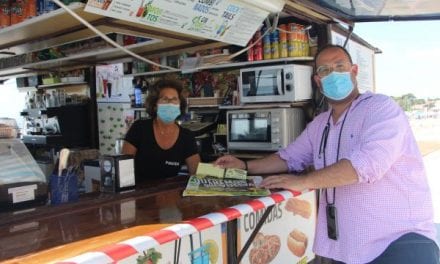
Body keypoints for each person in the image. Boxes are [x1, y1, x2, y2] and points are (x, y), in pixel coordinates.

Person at [214, 45, 439, 263]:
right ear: (317, 80)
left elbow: (369, 164)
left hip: (399, 241)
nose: (333, 74)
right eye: (324, 70)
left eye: (340, 65)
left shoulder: (380, 108)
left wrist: (304, 181)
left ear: (354, 71)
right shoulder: (320, 124)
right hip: (349, 247)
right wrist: (243, 165)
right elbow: (288, 157)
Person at [122, 79, 200, 183]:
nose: (170, 103)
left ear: (180, 105)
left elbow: (197, 173)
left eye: (174, 99)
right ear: (155, 105)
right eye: (165, 99)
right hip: (138, 194)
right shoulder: (139, 128)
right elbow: (123, 168)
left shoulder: (186, 136)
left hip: (168, 195)